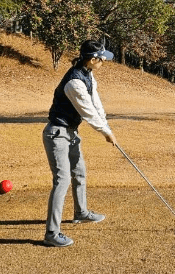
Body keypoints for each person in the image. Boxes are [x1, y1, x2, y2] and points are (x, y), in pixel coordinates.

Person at [42, 40, 118, 247]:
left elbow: (96, 104)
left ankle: (80, 212)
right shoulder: (74, 82)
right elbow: (88, 111)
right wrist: (105, 132)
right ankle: (52, 233)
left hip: (71, 133)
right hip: (57, 134)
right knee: (62, 180)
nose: (104, 61)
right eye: (102, 58)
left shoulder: (87, 74)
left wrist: (108, 127)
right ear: (92, 59)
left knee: (80, 172)